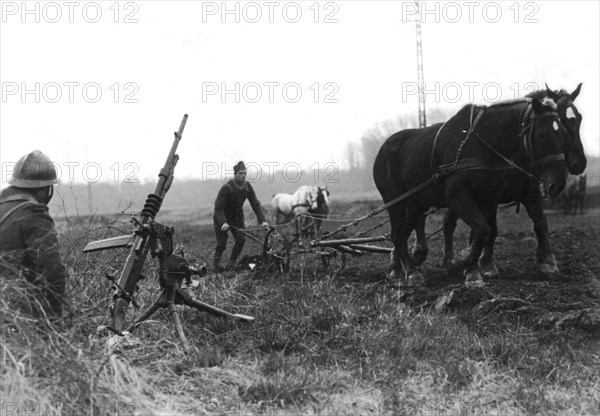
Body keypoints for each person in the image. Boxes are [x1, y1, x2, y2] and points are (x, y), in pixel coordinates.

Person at [0, 150, 67, 319]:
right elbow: (52, 273)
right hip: (17, 315)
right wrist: (54, 324)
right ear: (44, 189)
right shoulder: (34, 215)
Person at [212, 161, 268, 272]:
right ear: (235, 174)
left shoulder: (247, 187)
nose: (243, 176)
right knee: (222, 244)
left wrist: (263, 221)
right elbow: (218, 208)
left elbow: (255, 203)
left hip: (237, 218)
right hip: (221, 217)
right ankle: (215, 267)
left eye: (244, 173)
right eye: (240, 173)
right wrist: (223, 222)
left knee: (241, 240)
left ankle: (230, 263)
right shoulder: (227, 188)